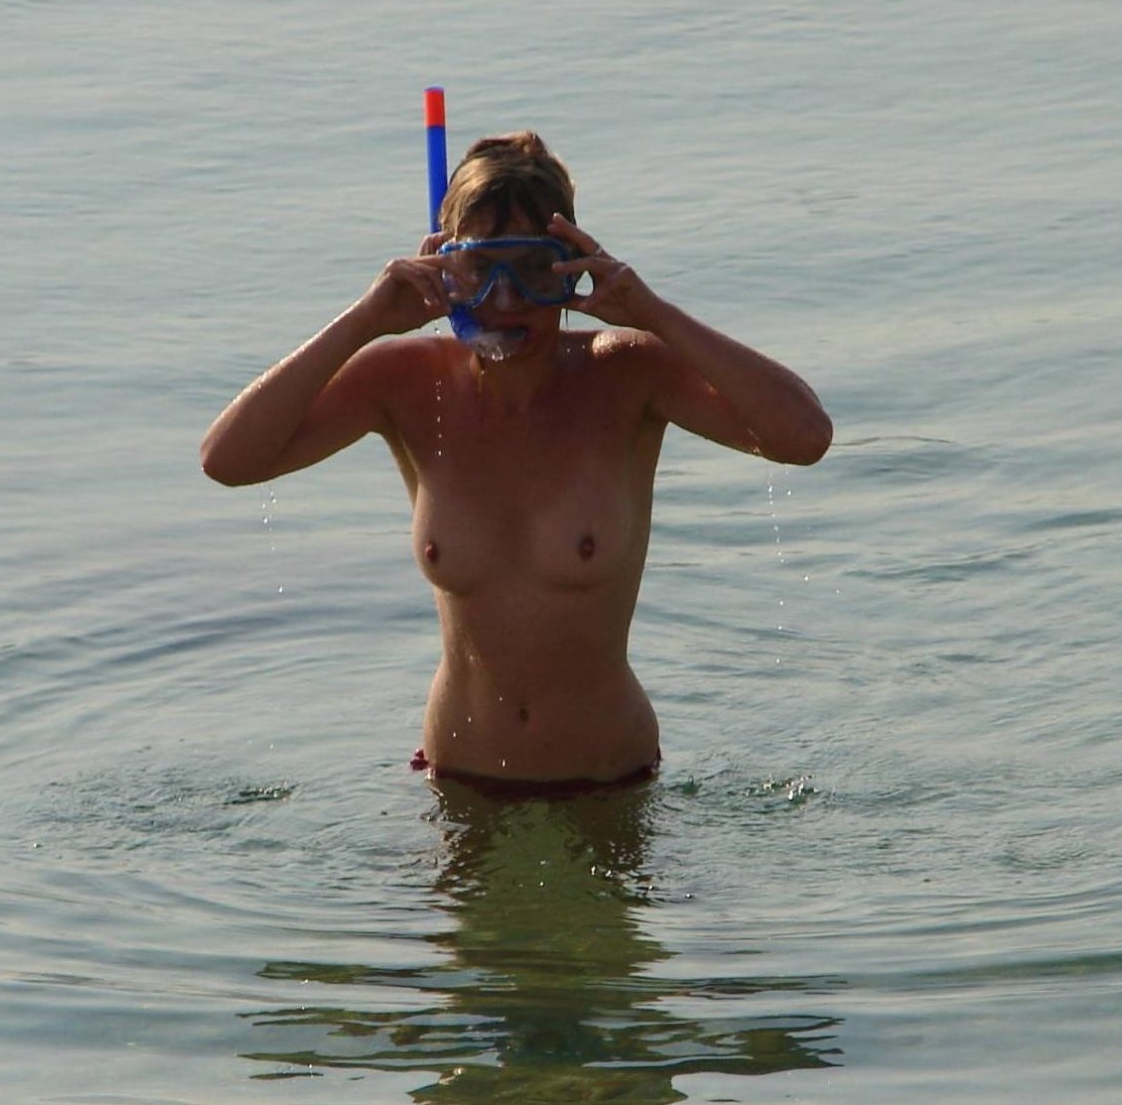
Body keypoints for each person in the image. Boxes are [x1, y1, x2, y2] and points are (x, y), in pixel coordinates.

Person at [200, 131, 831, 789]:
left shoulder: (628, 374)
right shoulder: (407, 384)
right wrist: (363, 320)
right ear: (444, 268)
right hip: (458, 786)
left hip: (610, 785)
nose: (506, 298)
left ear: (573, 264)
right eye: (481, 267)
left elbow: (804, 436)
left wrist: (656, 314)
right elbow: (228, 458)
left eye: (533, 267)